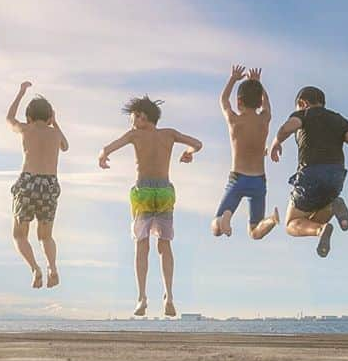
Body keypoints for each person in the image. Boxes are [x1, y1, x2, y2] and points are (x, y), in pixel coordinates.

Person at [98, 98, 203, 317]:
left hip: (143, 192)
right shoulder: (169, 134)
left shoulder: (134, 135)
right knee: (164, 245)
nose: (132, 121)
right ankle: (169, 296)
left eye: (134, 116)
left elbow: (108, 148)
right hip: (164, 191)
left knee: (141, 245)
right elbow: (197, 143)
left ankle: (142, 297)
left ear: (142, 116)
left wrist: (102, 157)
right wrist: (189, 153)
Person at [270, 86, 348, 258]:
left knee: (292, 224)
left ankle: (320, 229)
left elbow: (287, 128)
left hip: (310, 176)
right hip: (336, 179)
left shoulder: (304, 114)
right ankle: (333, 206)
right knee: (316, 214)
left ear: (303, 103)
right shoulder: (340, 120)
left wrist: (276, 142)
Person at [5, 82, 69, 289]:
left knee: (19, 234)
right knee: (46, 235)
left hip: (28, 182)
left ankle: (35, 268)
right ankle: (52, 268)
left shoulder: (26, 128)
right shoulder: (55, 134)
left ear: (29, 117)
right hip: (49, 184)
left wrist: (21, 92)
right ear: (50, 116)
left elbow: (9, 119)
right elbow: (65, 147)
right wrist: (55, 123)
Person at [211, 65, 279, 240]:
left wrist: (233, 78)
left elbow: (223, 100)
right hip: (258, 181)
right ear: (259, 102)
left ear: (239, 101)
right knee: (255, 232)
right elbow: (267, 105)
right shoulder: (264, 120)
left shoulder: (234, 121)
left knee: (216, 228)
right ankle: (271, 220)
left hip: (238, 179)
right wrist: (258, 84)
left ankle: (225, 216)